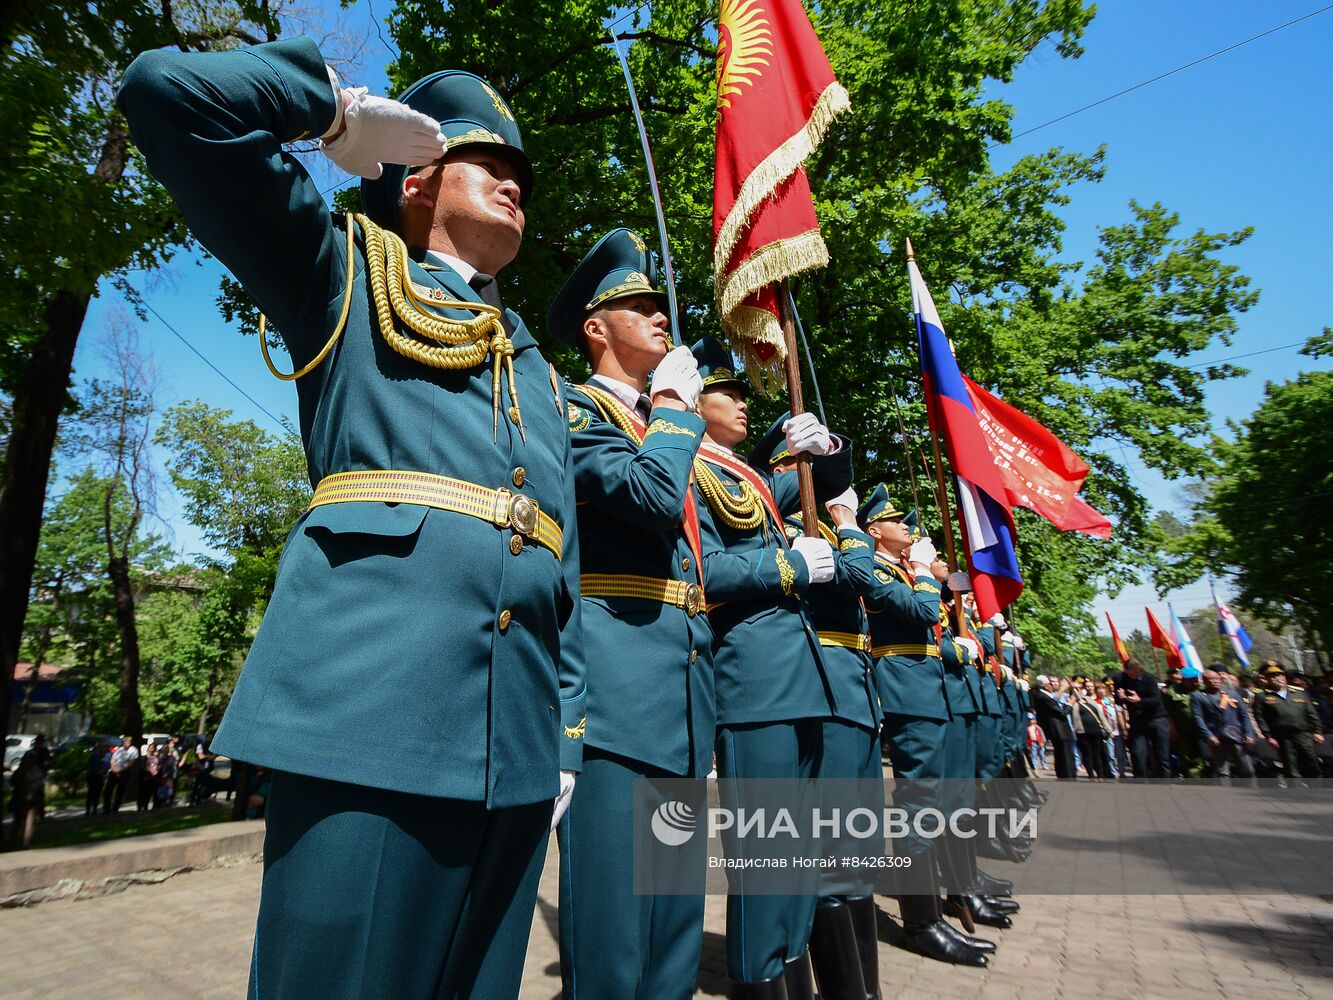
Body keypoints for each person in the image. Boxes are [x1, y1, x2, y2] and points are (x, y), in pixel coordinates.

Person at [119, 40, 586, 999]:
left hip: (516, 743)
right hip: (372, 713)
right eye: (486, 165)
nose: (512, 187)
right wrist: (327, 114)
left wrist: (564, 730)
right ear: (417, 178)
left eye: (519, 177)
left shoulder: (533, 366)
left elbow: (555, 551)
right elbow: (165, 95)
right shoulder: (340, 271)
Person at [546, 229, 712, 1000]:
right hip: (613, 693)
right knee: (612, 931)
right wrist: (678, 406)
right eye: (638, 307)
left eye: (659, 307)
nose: (659, 318)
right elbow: (646, 500)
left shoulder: (662, 430)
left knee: (672, 923)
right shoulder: (572, 409)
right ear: (594, 328)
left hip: (678, 696)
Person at [691, 337, 850, 997]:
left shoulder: (744, 475)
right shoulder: (687, 468)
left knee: (797, 858)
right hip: (752, 683)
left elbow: (827, 483)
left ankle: (791, 975)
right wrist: (785, 565)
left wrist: (827, 447)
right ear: (688, 400)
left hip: (795, 676)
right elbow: (702, 571)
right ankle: (757, 976)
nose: (739, 403)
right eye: (725, 392)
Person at [753, 419, 882, 998]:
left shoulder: (807, 525)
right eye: (796, 464)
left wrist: (828, 449)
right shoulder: (779, 516)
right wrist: (853, 527)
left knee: (848, 848)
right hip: (814, 683)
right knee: (812, 853)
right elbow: (861, 576)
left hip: (846, 687)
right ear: (783, 470)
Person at [859, 486, 989, 967]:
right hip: (903, 689)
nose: (910, 530)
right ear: (874, 531)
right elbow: (921, 612)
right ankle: (921, 922)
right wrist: (923, 573)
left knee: (930, 801)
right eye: (900, 523)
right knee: (919, 803)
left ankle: (935, 908)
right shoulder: (874, 568)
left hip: (923, 688)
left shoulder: (898, 569)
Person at [1252, 662, 1324, 783]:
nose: (1277, 678)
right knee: (1291, 766)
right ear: (1267, 679)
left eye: (1279, 675)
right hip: (1282, 737)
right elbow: (1260, 718)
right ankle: (1295, 793)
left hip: (1303, 734)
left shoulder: (1299, 693)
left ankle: (1316, 789)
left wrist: (1318, 731)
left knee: (1311, 762)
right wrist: (1268, 736)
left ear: (1284, 677)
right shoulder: (1262, 696)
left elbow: (1312, 714)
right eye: (1272, 676)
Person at [1189, 669, 1256, 783]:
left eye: (1217, 679)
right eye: (1210, 679)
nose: (1215, 681)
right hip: (1217, 738)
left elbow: (1244, 715)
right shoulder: (1198, 696)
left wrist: (1249, 733)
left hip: (1237, 736)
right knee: (1223, 771)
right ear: (1203, 681)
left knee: (1247, 769)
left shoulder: (1232, 693)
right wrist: (1208, 735)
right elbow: (1198, 718)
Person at [1113, 659, 1170, 780]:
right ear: (1126, 670)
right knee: (1138, 753)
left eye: (1137, 674)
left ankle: (1164, 780)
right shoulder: (1119, 679)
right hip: (1137, 720)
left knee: (1162, 753)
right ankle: (1140, 781)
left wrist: (1140, 700)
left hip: (1156, 717)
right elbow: (1118, 702)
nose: (1135, 677)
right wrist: (1121, 697)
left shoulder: (1149, 678)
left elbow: (1155, 700)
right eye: (1132, 674)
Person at [1031, 676, 1076, 780]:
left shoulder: (1044, 696)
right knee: (1064, 755)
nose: (1053, 686)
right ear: (1046, 685)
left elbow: (1056, 702)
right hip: (1058, 730)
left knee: (1063, 754)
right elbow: (1062, 713)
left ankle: (1065, 775)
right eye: (1050, 684)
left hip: (1059, 730)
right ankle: (1067, 776)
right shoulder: (1043, 697)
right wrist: (1070, 704)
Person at [10, 736, 49, 849]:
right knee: (25, 821)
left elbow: (13, 783)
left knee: (21, 821)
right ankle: (23, 843)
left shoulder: (21, 772)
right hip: (28, 798)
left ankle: (17, 842)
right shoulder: (36, 772)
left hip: (23, 797)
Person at [105, 735, 139, 814]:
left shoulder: (133, 750)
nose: (126, 743)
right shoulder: (119, 749)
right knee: (108, 790)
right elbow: (113, 759)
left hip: (124, 772)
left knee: (120, 791)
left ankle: (115, 808)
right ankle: (106, 808)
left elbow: (131, 762)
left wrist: (120, 770)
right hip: (113, 771)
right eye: (124, 741)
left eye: (128, 741)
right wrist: (114, 769)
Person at [86, 738, 111, 818]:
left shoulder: (106, 756)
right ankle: (88, 809)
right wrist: (99, 771)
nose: (104, 749)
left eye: (105, 747)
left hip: (100, 777)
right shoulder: (93, 756)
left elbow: (106, 765)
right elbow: (92, 767)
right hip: (93, 776)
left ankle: (94, 809)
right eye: (102, 747)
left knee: (98, 793)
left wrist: (104, 772)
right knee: (91, 793)